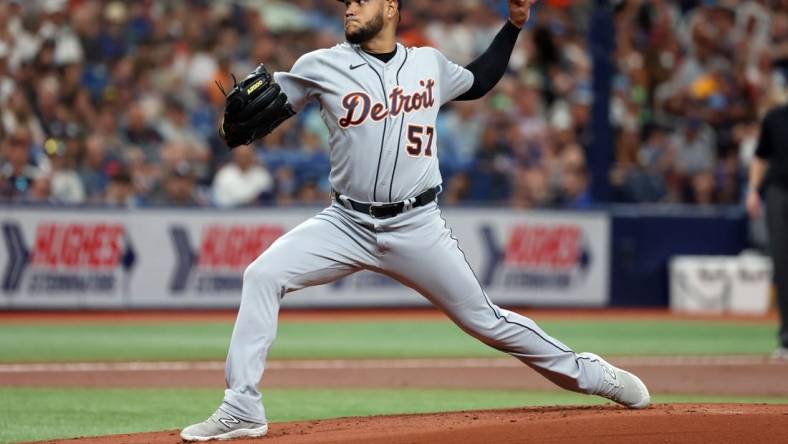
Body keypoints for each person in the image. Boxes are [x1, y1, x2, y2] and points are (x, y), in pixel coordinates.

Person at [181, 1, 650, 440]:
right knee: (262, 275)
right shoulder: (320, 64)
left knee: (487, 322)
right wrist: (230, 125)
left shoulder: (428, 64)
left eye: (360, 0)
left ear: (390, 7)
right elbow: (261, 108)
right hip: (345, 223)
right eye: (346, 1)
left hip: (417, 225)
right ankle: (242, 406)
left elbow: (479, 80)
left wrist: (513, 27)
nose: (348, 6)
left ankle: (590, 373)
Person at [746, 103, 788, 361]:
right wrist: (752, 190)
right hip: (779, 193)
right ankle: (786, 339)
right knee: (782, 265)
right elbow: (760, 156)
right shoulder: (775, 117)